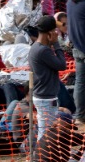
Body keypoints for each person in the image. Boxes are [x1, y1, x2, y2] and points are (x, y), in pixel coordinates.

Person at [27, 15, 66, 144]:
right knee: (46, 134)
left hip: (43, 96)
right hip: (45, 98)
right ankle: (40, 159)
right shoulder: (42, 50)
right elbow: (62, 65)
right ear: (50, 32)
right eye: (55, 31)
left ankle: (40, 158)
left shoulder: (37, 47)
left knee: (46, 131)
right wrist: (56, 44)